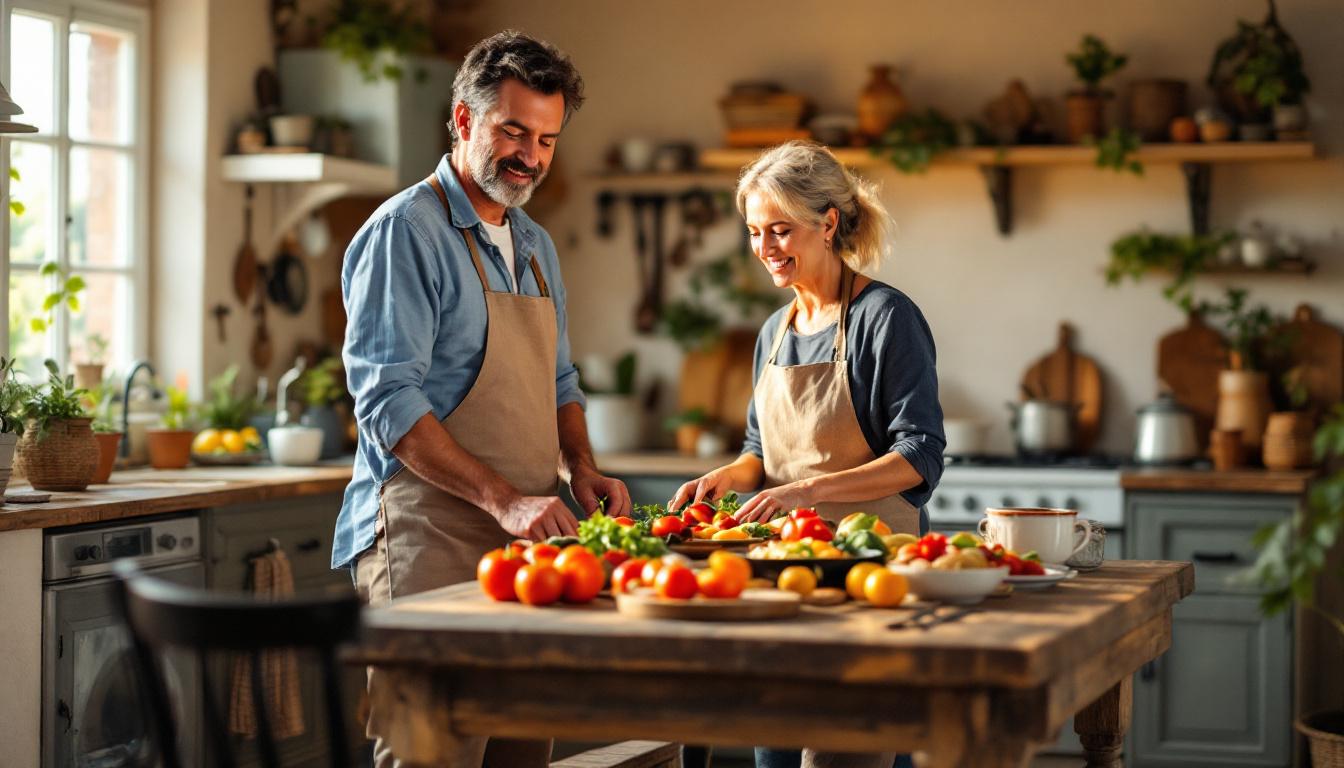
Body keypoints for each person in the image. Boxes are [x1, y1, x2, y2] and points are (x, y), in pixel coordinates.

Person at [333, 31, 631, 767]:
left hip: (529, 537)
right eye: (513, 131)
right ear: (464, 121)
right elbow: (388, 403)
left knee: (523, 750)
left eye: (546, 139)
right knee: (431, 750)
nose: (530, 155)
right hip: (428, 534)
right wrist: (504, 501)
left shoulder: (533, 243)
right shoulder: (407, 232)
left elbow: (559, 380)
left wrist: (581, 467)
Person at [670, 141, 945, 768]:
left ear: (828, 223)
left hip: (867, 580)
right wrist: (725, 477)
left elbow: (921, 455)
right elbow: (759, 452)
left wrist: (809, 492)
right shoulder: (775, 331)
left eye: (780, 230)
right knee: (777, 744)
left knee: (857, 752)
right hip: (783, 584)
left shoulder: (886, 318)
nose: (765, 248)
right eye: (754, 232)